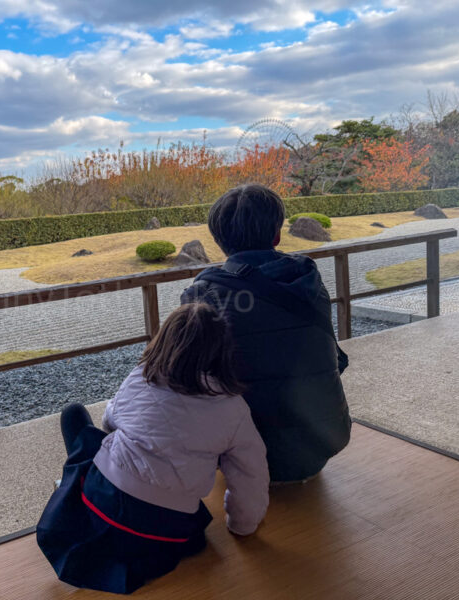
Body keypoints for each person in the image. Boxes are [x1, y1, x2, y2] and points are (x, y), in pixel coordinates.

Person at [36, 303, 269, 595]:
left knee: (75, 416)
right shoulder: (233, 407)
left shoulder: (143, 375)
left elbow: (110, 424)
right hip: (167, 532)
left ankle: (71, 485)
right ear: (222, 351)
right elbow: (251, 472)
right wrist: (242, 526)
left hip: (102, 504)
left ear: (164, 339)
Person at [182, 183, 351, 483]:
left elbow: (185, 377)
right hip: (324, 439)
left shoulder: (204, 293)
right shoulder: (307, 279)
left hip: (242, 453)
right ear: (276, 235)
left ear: (220, 242)